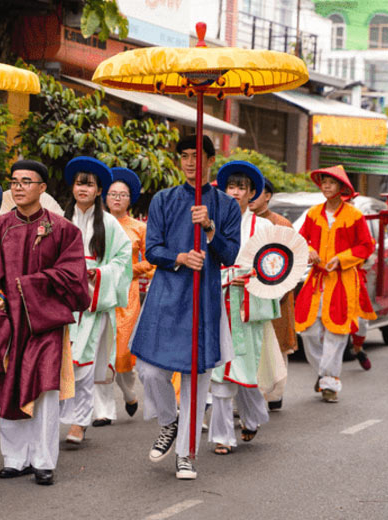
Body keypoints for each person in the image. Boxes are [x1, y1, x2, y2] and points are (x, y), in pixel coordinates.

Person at [0, 159, 90, 485]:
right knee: (11, 389)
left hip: (45, 324)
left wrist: (23, 290)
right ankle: (14, 458)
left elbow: (73, 279)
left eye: (27, 181)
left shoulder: (65, 230)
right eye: (14, 181)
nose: (19, 187)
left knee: (45, 391)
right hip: (10, 324)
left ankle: (43, 461)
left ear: (42, 188)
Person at [130, 134, 240, 480]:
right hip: (166, 295)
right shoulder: (163, 200)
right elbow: (152, 249)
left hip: (205, 297)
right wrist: (178, 256)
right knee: (149, 370)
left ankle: (187, 454)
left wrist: (209, 228)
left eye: (198, 156)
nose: (192, 162)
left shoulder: (226, 206)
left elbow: (230, 255)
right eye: (185, 156)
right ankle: (169, 422)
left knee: (197, 378)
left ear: (211, 159)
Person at [59, 157, 132, 444]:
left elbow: (123, 260)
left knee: (84, 363)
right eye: (79, 183)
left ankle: (79, 421)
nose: (83, 189)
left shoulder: (111, 225)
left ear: (99, 190)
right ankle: (65, 416)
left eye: (89, 185)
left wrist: (99, 274)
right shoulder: (61, 220)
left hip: (92, 302)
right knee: (62, 362)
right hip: (63, 301)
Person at [209, 161, 278, 455]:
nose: (235, 192)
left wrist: (253, 280)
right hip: (215, 302)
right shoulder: (211, 222)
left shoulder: (264, 226)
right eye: (231, 187)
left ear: (252, 193)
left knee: (245, 369)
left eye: (241, 187)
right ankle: (223, 436)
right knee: (220, 372)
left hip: (247, 305)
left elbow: (275, 268)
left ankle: (252, 417)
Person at [294, 166, 374, 403]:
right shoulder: (313, 213)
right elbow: (301, 238)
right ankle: (324, 374)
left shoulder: (354, 216)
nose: (327, 186)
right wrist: (309, 251)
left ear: (342, 187)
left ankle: (329, 382)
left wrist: (342, 258)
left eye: (331, 183)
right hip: (317, 279)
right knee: (308, 332)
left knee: (337, 332)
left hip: (343, 280)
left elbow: (366, 246)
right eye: (324, 182)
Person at [93, 167, 154, 425]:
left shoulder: (139, 228)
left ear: (130, 199)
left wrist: (127, 270)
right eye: (112, 194)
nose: (117, 198)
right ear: (104, 197)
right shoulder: (94, 224)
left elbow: (151, 261)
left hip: (127, 295)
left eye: (123, 195)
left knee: (122, 352)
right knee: (98, 350)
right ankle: (104, 411)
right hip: (97, 291)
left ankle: (129, 393)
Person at [247, 178, 298, 408]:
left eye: (256, 192)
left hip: (277, 291)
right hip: (247, 290)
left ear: (268, 196)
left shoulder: (281, 224)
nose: (251, 197)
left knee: (276, 342)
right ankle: (253, 393)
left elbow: (291, 260)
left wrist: (280, 289)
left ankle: (275, 393)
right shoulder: (241, 222)